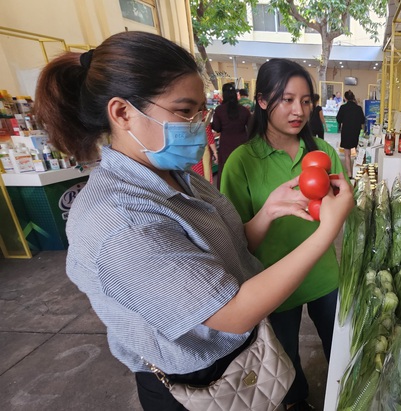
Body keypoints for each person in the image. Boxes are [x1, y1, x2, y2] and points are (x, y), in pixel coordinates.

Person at [32, 31, 353, 411]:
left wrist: (268, 211)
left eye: (201, 111)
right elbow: (232, 312)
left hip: (240, 358)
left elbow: (228, 249)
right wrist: (328, 231)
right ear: (122, 113)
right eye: (184, 111)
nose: (199, 126)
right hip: (194, 385)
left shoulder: (178, 175)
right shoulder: (118, 223)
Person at [220, 58, 346, 411]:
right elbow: (236, 244)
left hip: (324, 277)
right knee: (283, 361)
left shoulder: (323, 154)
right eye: (287, 99)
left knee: (342, 349)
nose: (298, 110)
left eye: (306, 101)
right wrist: (269, 211)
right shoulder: (241, 162)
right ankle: (297, 401)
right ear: (261, 101)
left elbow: (340, 208)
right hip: (271, 285)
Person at [212, 82, 250, 186]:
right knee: (242, 169)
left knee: (225, 170)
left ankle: (226, 192)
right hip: (242, 144)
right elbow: (251, 128)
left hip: (226, 145)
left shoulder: (219, 110)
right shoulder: (244, 111)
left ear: (224, 95)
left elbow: (217, 127)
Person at [336, 90, 365, 177]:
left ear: (345, 98)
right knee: (356, 151)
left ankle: (349, 173)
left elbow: (338, 119)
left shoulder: (343, 108)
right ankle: (357, 171)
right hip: (355, 131)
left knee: (347, 154)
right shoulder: (358, 108)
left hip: (346, 131)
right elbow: (362, 121)